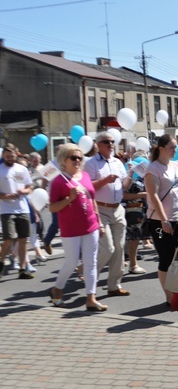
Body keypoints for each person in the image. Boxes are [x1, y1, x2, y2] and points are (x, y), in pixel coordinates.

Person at [48, 144, 107, 311]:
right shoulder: (59, 181)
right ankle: (57, 288)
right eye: (73, 158)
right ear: (64, 160)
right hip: (70, 228)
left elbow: (92, 200)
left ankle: (91, 298)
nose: (77, 161)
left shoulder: (86, 176)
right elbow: (52, 207)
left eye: (80, 158)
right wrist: (69, 198)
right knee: (72, 261)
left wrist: (99, 222)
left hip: (91, 225)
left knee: (91, 262)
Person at [84, 132, 131, 296]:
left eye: (112, 141)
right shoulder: (91, 164)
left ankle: (114, 285)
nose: (111, 144)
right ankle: (90, 277)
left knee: (119, 248)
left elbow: (124, 186)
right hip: (100, 209)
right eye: (106, 141)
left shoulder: (118, 162)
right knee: (108, 248)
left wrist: (131, 175)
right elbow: (87, 187)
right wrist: (105, 180)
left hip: (117, 208)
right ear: (98, 145)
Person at [145, 135, 178, 304]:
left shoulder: (177, 166)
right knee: (166, 257)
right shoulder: (153, 169)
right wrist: (164, 220)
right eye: (171, 147)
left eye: (176, 147)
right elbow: (153, 196)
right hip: (160, 221)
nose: (175, 150)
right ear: (161, 149)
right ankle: (168, 295)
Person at [0, 144, 34, 279]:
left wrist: (24, 191)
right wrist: (4, 196)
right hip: (6, 209)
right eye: (7, 156)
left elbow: (29, 187)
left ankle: (23, 268)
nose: (10, 158)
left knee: (23, 239)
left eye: (12, 156)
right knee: (9, 239)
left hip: (22, 208)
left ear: (16, 155)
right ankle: (1, 262)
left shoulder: (22, 169)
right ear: (3, 156)